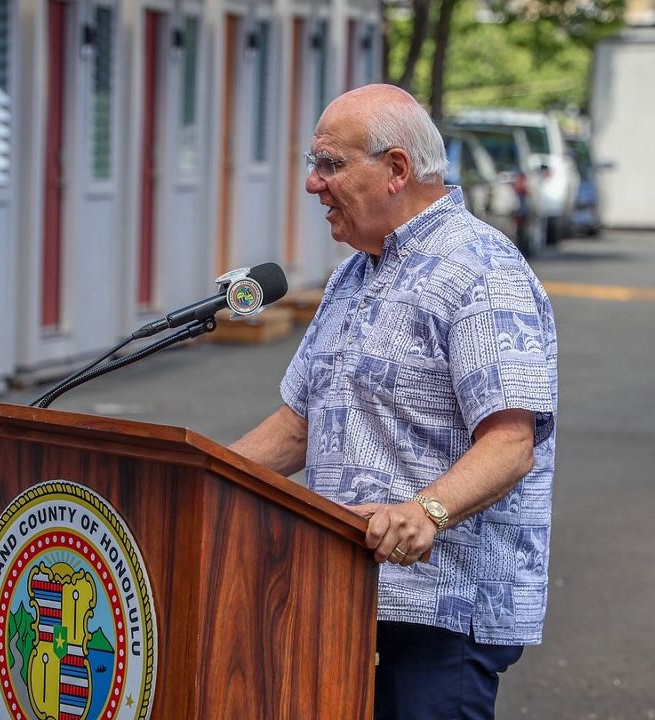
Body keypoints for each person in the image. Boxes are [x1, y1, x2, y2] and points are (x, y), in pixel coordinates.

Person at [229, 84, 558, 720]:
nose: (312, 185)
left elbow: (512, 442)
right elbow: (299, 427)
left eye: (330, 164)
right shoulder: (355, 274)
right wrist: (191, 480)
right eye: (313, 164)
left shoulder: (482, 272)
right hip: (343, 597)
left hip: (444, 616)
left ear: (396, 170)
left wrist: (427, 511)